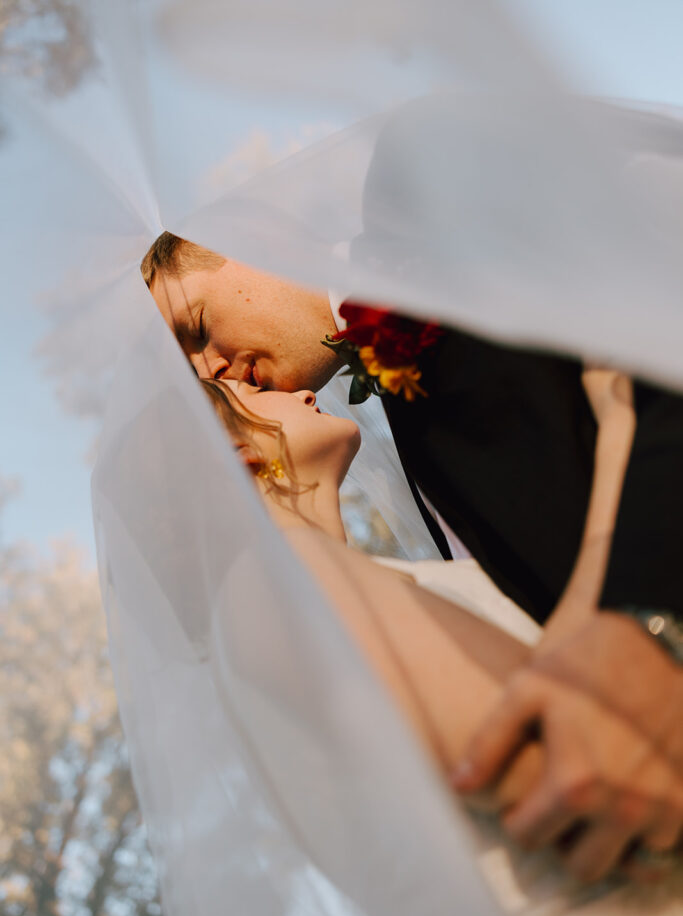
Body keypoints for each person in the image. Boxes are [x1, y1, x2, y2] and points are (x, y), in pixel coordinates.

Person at [142, 226, 683, 883]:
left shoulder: (380, 564)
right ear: (237, 457)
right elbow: (582, 749)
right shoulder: (275, 595)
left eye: (195, 328)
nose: (210, 374)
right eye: (203, 386)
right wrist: (623, 431)